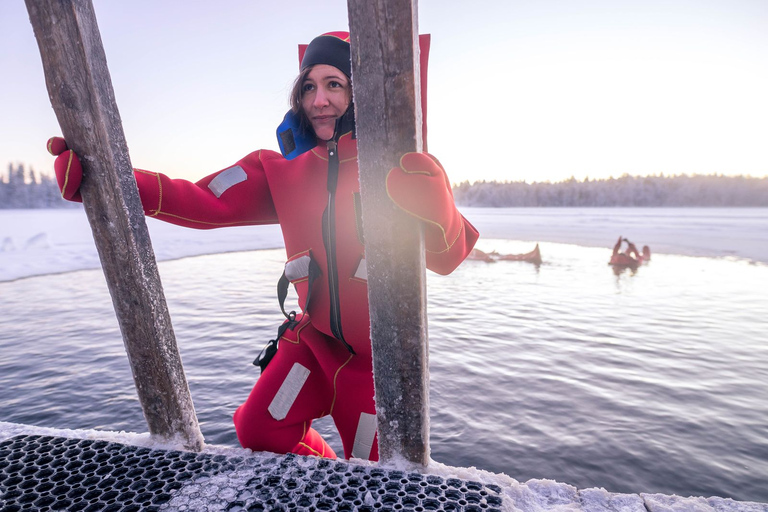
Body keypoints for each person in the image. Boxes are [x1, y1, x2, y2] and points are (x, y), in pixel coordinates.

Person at [46, 32, 478, 462]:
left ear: (362, 93)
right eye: (308, 86)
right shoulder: (278, 170)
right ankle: (326, 476)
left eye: (334, 85)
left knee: (373, 469)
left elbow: (447, 258)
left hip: (377, 360)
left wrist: (438, 211)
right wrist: (106, 180)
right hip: (315, 345)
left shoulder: (397, 170)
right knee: (258, 428)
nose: (319, 100)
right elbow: (203, 199)